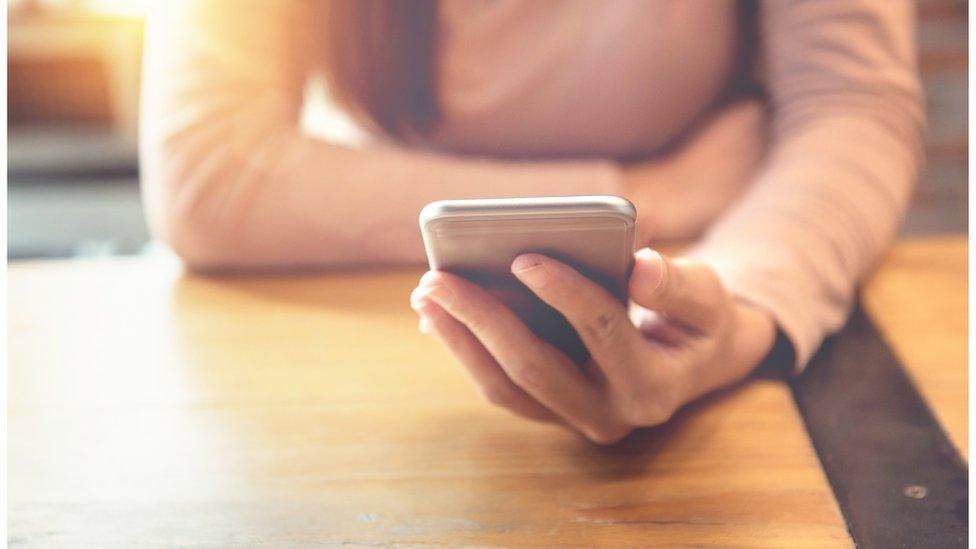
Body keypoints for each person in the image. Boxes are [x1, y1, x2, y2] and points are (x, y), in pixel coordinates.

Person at [141, 1, 923, 443]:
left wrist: (746, 309)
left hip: (705, 277)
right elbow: (205, 169)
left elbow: (852, 103)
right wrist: (651, 192)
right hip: (353, 349)